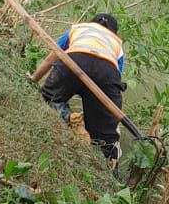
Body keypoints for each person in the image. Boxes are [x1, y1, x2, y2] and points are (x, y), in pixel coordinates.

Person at [32, 13, 126, 163]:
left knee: (48, 98)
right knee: (105, 134)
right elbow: (115, 81)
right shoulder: (116, 44)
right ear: (114, 32)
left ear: (92, 23)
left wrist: (33, 79)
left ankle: (69, 118)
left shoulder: (79, 29)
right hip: (106, 71)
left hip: (74, 60)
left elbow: (52, 57)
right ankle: (107, 165)